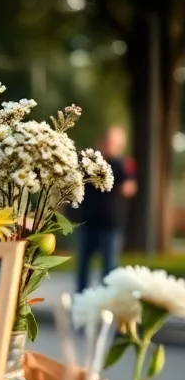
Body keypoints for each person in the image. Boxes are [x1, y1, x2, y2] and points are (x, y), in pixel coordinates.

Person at [77, 125, 138, 292]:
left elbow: (130, 186)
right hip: (88, 222)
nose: (110, 145)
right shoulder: (90, 162)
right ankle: (80, 301)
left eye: (114, 142)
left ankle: (107, 303)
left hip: (111, 224)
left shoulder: (123, 165)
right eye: (108, 141)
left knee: (109, 267)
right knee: (83, 266)